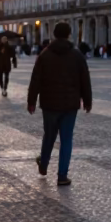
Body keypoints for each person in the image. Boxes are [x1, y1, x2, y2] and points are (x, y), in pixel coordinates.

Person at [27, 22, 91, 187]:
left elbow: (36, 80)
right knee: (66, 139)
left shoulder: (45, 55)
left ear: (54, 35)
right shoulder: (77, 56)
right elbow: (85, 80)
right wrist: (87, 100)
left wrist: (31, 101)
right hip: (70, 104)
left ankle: (44, 164)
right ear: (69, 34)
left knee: (49, 135)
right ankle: (62, 175)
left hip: (49, 103)